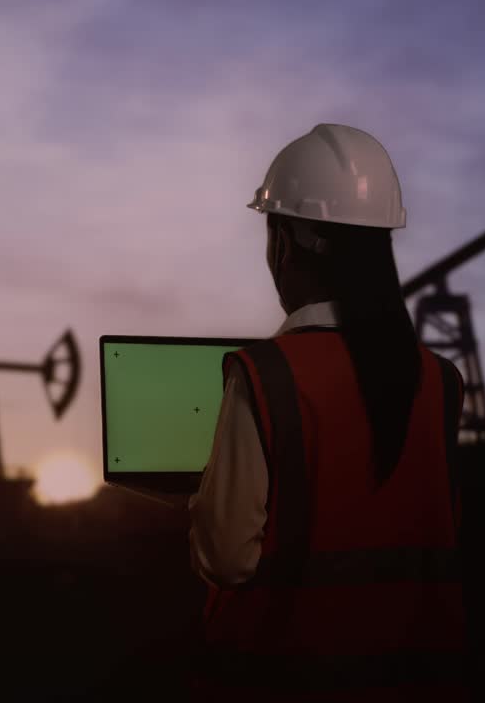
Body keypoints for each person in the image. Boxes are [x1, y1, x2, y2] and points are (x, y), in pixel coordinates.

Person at [188, 124, 469, 700]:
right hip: (418, 677)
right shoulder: (440, 380)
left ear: (286, 242)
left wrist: (199, 503)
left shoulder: (264, 374)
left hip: (288, 675)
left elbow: (227, 558)